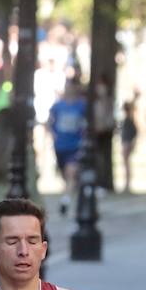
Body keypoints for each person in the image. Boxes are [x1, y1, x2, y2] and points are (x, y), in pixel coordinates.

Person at [47, 78, 88, 216]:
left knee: (71, 172)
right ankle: (70, 192)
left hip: (75, 146)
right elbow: (50, 121)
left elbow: (86, 123)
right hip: (60, 146)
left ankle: (66, 200)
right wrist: (52, 134)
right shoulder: (58, 106)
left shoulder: (82, 105)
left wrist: (84, 137)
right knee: (65, 175)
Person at [119, 98, 138, 194]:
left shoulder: (129, 120)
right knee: (126, 164)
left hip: (127, 143)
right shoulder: (128, 119)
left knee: (126, 164)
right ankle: (126, 183)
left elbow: (134, 132)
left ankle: (127, 184)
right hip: (126, 142)